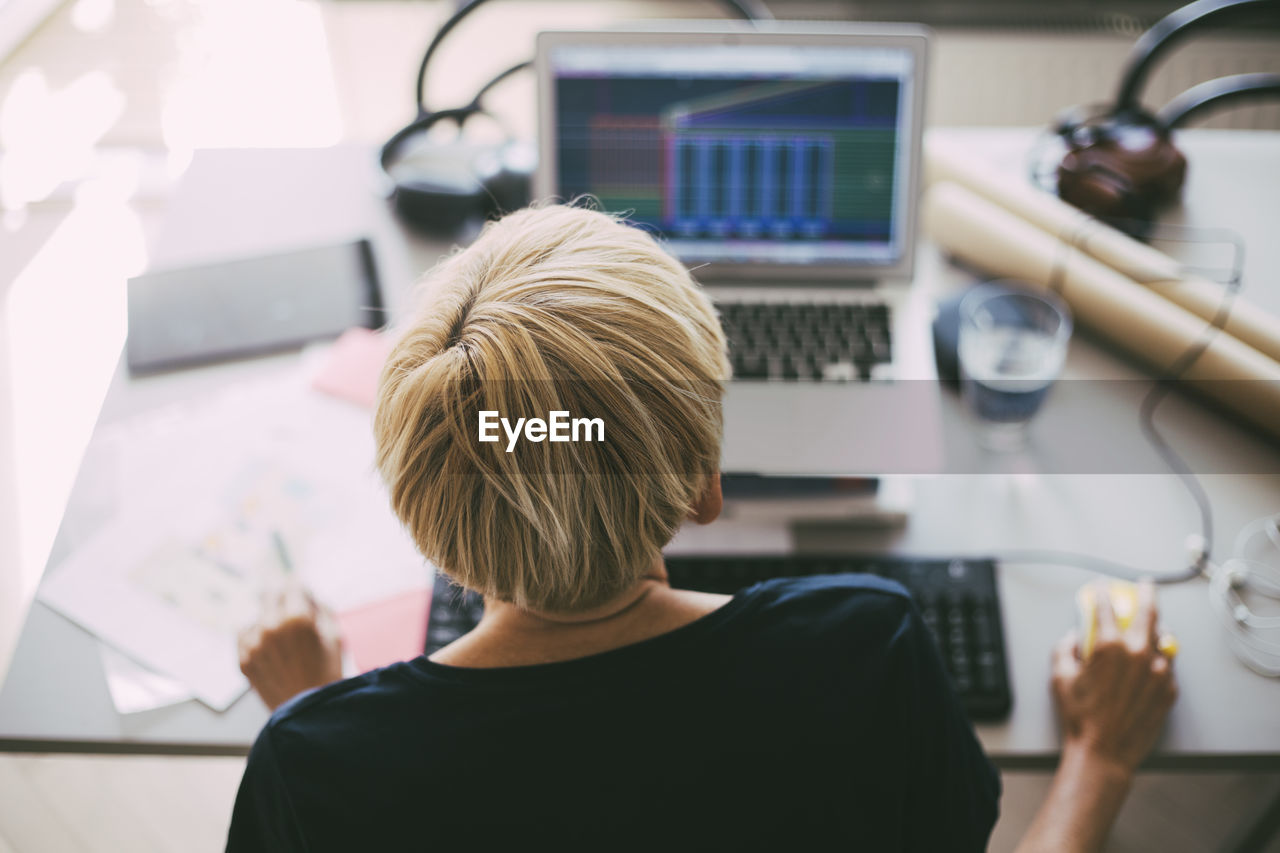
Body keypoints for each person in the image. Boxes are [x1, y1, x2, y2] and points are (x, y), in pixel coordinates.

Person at [227, 205, 1177, 852]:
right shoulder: (862, 650)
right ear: (703, 484)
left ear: (427, 523)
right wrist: (1103, 755)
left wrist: (314, 717)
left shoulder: (309, 766)